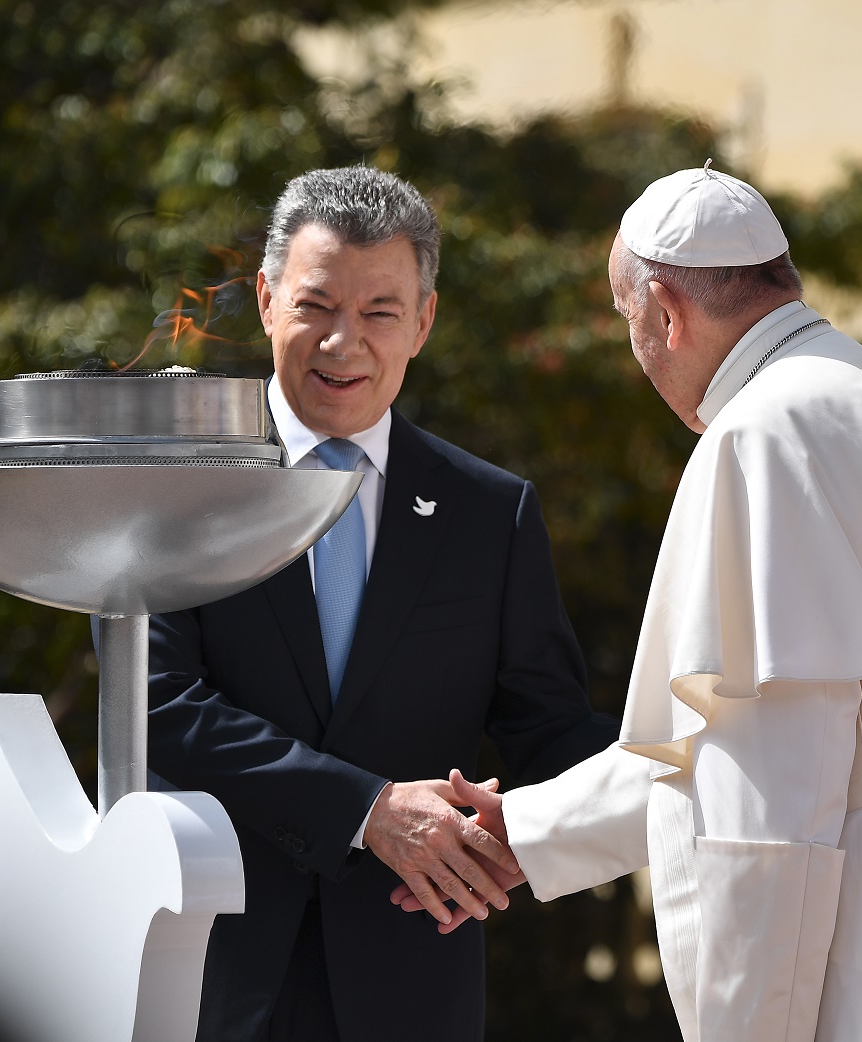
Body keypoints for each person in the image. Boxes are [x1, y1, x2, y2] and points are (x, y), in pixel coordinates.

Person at [398, 165, 862, 1042]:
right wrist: (526, 829)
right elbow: (720, 733)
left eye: (627, 323)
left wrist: (746, 1023)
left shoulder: (759, 433)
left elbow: (770, 798)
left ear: (664, 310)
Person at [146, 165, 616, 1042]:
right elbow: (154, 701)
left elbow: (547, 730)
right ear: (264, 300)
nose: (342, 344)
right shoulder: (183, 487)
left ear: (425, 322)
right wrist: (366, 811)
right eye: (316, 306)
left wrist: (567, 815)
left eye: (379, 314)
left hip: (412, 973)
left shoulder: (490, 513)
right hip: (210, 971)